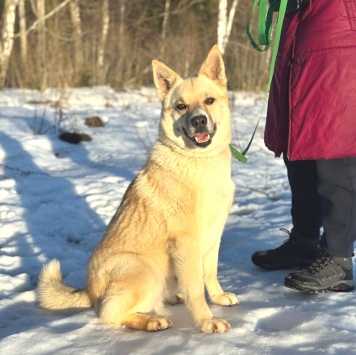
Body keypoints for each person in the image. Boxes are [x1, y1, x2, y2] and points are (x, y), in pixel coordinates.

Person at [251, 0, 356, 293]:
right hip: (299, 35)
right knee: (299, 149)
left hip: (338, 40)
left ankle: (338, 258)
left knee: (335, 154)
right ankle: (305, 241)